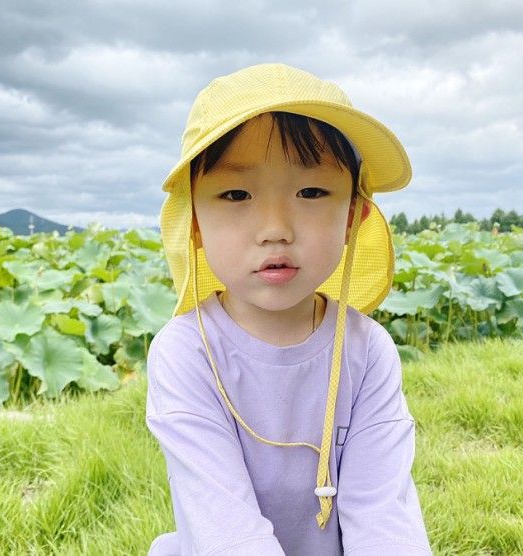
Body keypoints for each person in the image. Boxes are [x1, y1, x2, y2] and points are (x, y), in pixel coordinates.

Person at [145, 63, 433, 555]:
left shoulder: (367, 351)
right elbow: (225, 533)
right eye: (236, 193)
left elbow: (383, 520)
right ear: (193, 221)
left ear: (353, 217)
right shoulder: (185, 352)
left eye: (311, 192)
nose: (275, 228)